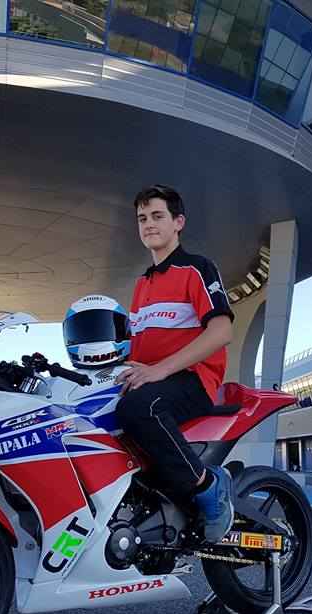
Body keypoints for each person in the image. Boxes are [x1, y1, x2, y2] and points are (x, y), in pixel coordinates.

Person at [114, 184, 235, 543]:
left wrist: (159, 369)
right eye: (142, 218)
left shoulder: (197, 268)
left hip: (192, 379)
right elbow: (138, 347)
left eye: (157, 216)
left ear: (178, 222)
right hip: (154, 382)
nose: (148, 224)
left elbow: (222, 331)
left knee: (137, 408)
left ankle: (209, 486)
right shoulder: (142, 283)